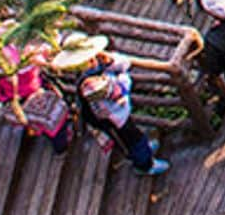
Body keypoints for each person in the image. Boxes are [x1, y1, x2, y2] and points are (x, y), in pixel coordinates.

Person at [59, 35, 171, 176]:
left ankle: (145, 150)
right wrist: (120, 74)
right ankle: (145, 165)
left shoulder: (96, 65)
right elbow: (120, 88)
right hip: (111, 120)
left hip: (119, 113)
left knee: (134, 134)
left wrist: (111, 61)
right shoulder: (90, 85)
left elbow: (124, 63)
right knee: (130, 142)